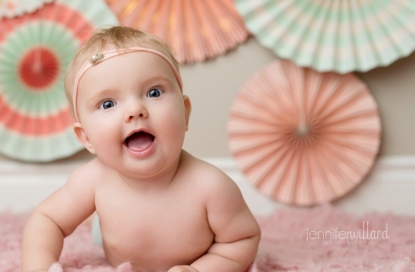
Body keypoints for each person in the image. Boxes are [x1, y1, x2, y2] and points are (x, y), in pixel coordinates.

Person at [21, 26, 261, 272]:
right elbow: (47, 220)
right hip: (114, 240)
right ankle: (97, 224)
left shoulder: (211, 187)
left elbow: (241, 239)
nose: (135, 110)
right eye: (108, 103)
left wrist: (199, 270)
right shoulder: (93, 180)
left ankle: (97, 224)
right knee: (95, 226)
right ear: (86, 138)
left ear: (185, 113)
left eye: (153, 92)